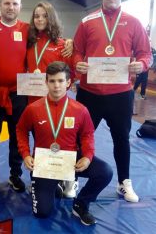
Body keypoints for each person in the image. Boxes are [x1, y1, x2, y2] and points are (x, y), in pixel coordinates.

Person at [0, 0, 73, 192]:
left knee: (17, 134)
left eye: (15, 4)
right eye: (7, 3)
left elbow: (52, 36)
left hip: (19, 93)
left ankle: (15, 175)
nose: (11, 7)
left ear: (20, 7)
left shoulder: (28, 30)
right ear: (0, 5)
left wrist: (71, 43)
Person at [73, 0, 151, 203]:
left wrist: (142, 64)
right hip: (90, 93)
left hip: (120, 94)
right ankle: (73, 177)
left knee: (121, 139)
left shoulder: (134, 22)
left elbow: (146, 54)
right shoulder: (87, 21)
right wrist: (77, 63)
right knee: (79, 138)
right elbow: (77, 50)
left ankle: (123, 182)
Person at [16, 61, 113, 226]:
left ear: (68, 83)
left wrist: (88, 157)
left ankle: (81, 203)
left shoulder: (80, 109)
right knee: (42, 213)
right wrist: (25, 154)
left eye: (61, 81)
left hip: (70, 161)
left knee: (105, 172)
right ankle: (55, 186)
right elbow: (20, 130)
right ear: (46, 82)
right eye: (52, 81)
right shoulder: (33, 109)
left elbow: (88, 134)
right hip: (44, 163)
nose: (56, 86)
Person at [26, 1, 77, 197]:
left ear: (51, 18)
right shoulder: (29, 42)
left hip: (58, 102)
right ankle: (41, 176)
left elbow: (71, 72)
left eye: (44, 16)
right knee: (40, 139)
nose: (40, 19)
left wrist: (72, 44)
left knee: (63, 137)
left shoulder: (63, 45)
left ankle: (67, 177)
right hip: (34, 101)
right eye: (37, 16)